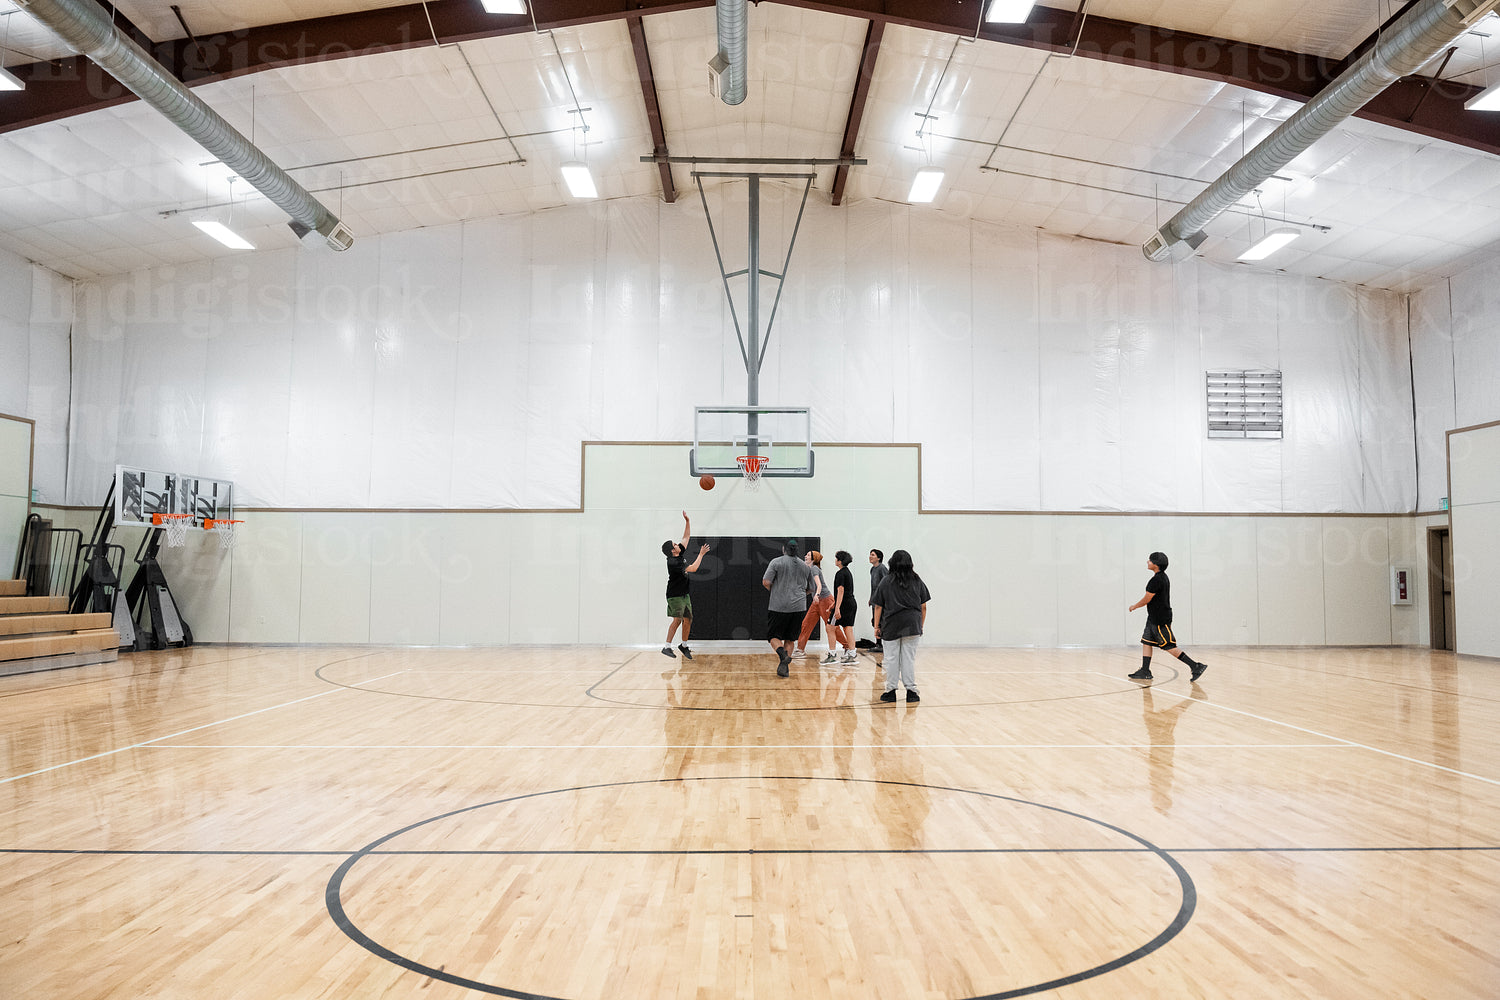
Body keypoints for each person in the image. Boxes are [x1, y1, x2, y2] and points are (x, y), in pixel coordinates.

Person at [1127, 551, 1207, 683]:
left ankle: (1195, 666)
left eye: (1150, 560)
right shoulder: (1162, 577)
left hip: (1159, 619)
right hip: (1153, 617)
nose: (1148, 562)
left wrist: (1134, 606)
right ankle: (1145, 671)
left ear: (1156, 564)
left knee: (1169, 646)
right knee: (1146, 641)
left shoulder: (1156, 581)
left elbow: (1147, 599)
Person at [871, 549, 929, 702]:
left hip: (891, 625)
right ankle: (911, 691)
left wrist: (876, 627)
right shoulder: (917, 580)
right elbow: (923, 606)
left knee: (891, 658)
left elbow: (878, 606)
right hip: (912, 624)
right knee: (908, 658)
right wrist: (920, 626)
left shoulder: (886, 581)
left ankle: (891, 691)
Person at [661, 511, 709, 659]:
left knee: (688, 619)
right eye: (675, 544)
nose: (677, 544)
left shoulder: (678, 554)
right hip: (675, 596)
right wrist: (701, 555)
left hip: (684, 594)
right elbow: (693, 569)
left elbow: (686, 537)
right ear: (672, 550)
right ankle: (667, 647)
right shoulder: (674, 562)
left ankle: (684, 645)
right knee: (677, 620)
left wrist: (687, 521)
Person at [762, 539, 813, 677]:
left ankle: (782, 654)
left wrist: (775, 591)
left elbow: (766, 581)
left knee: (773, 636)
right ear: (797, 550)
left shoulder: (776, 562)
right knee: (790, 639)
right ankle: (784, 667)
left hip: (778, 606)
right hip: (798, 607)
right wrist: (800, 594)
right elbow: (811, 588)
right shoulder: (805, 566)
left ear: (784, 549)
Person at [793, 551, 835, 661]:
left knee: (832, 626)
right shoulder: (809, 568)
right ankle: (800, 650)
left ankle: (847, 648)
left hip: (825, 600)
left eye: (808, 555)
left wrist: (816, 595)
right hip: (816, 602)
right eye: (805, 554)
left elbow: (819, 585)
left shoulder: (814, 569)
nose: (805, 556)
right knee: (806, 623)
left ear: (813, 559)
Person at [832, 550, 858, 663]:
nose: (835, 560)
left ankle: (832, 654)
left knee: (830, 627)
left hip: (845, 604)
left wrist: (837, 608)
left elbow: (841, 590)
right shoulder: (846, 572)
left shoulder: (841, 573)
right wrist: (834, 605)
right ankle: (852, 653)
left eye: (836, 558)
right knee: (848, 628)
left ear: (840, 561)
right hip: (850, 603)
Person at [868, 548, 888, 651]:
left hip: (882, 601)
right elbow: (873, 586)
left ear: (879, 558)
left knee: (881, 621)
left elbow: (886, 584)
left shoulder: (882, 568)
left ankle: (882, 644)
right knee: (875, 621)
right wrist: (871, 598)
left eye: (873, 555)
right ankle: (878, 643)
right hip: (875, 600)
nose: (870, 556)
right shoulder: (872, 569)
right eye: (870, 554)